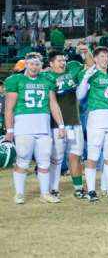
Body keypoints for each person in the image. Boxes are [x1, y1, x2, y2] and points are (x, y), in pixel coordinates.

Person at [4, 52, 66, 204]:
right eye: (31, 63)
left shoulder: (47, 80)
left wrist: (61, 125)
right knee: (23, 159)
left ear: (41, 66)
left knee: (44, 160)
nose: (34, 66)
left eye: (37, 64)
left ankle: (45, 193)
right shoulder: (16, 80)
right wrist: (10, 130)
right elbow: (8, 108)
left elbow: (53, 104)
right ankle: (19, 193)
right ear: (26, 64)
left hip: (43, 126)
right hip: (23, 126)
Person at [76, 47, 108, 202]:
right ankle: (91, 190)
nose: (105, 59)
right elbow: (79, 95)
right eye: (102, 56)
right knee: (92, 156)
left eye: (107, 56)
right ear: (96, 59)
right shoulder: (91, 74)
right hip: (96, 118)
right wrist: (85, 79)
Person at [42, 48, 93, 199]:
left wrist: (87, 52)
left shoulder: (72, 68)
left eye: (64, 60)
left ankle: (78, 188)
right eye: (59, 60)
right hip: (56, 123)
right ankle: (53, 188)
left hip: (74, 120)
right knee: (56, 158)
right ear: (51, 63)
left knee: (76, 155)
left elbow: (90, 66)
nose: (63, 63)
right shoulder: (45, 76)